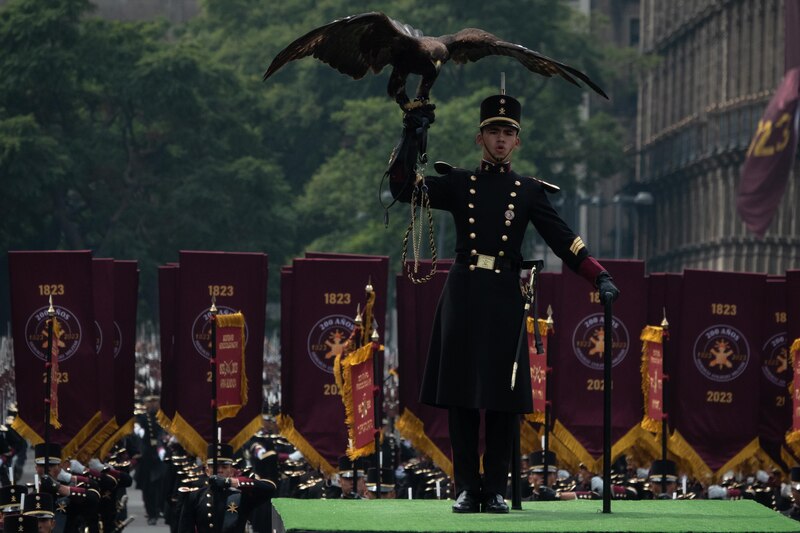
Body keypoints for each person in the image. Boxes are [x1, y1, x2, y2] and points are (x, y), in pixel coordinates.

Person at [388, 91, 619, 514]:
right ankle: (465, 488)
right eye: (493, 131)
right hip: (463, 290)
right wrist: (410, 135)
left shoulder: (528, 191)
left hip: (504, 295)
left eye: (507, 133)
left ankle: (493, 488)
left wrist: (598, 276)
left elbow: (565, 240)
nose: (500, 138)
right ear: (480, 138)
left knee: (501, 399)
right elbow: (404, 189)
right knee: (460, 398)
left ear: (518, 141)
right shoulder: (459, 183)